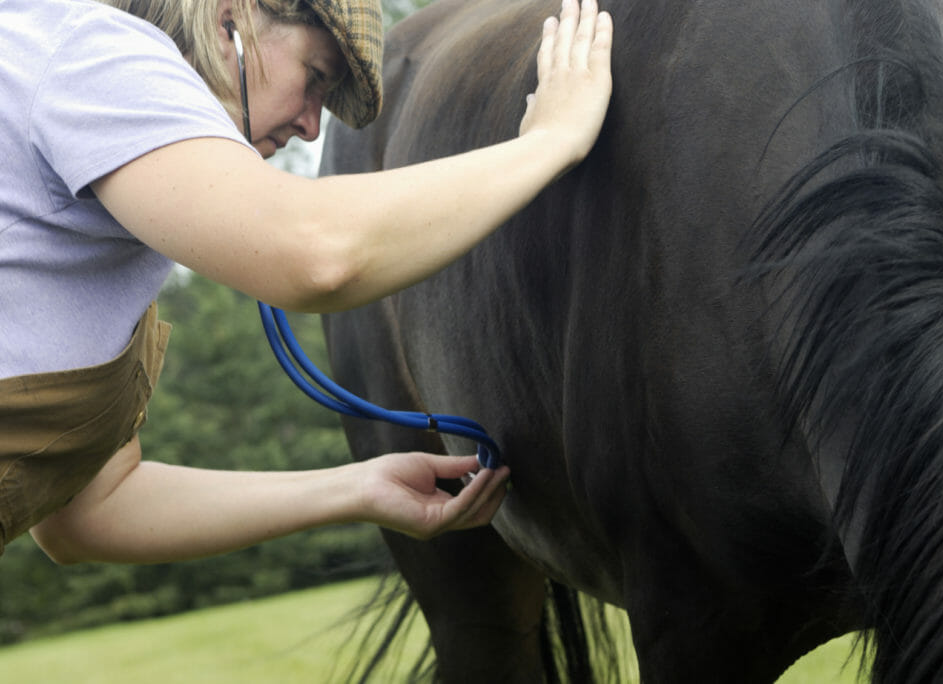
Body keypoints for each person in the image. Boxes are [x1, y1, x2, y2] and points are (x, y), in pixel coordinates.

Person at [0, 0, 614, 566]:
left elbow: (91, 513)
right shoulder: (95, 52)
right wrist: (550, 141)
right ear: (230, 22)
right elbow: (317, 255)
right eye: (315, 77)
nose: (312, 128)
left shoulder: (119, 207)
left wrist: (357, 487)